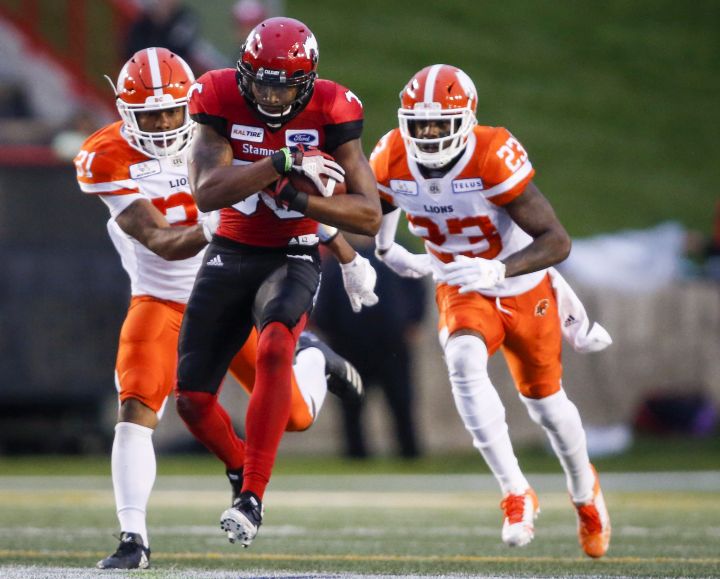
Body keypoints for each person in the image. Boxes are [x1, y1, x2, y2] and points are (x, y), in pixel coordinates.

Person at [73, 47, 375, 569]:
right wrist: (209, 225)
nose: (165, 124)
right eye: (150, 114)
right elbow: (159, 241)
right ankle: (133, 538)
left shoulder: (224, 129)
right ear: (124, 111)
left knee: (297, 418)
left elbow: (284, 207)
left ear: (190, 105)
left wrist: (346, 256)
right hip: (161, 294)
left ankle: (312, 359)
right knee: (136, 406)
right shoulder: (105, 156)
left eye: (172, 111)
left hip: (235, 282)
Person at [369, 64, 612, 558]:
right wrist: (386, 245)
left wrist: (499, 271)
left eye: (441, 123)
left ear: (467, 119)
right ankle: (515, 491)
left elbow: (557, 240)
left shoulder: (490, 153)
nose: (430, 134)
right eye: (420, 124)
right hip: (461, 286)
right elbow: (385, 195)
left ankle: (585, 492)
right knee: (461, 360)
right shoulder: (392, 153)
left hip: (523, 286)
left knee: (545, 404)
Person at [175, 15, 381, 549]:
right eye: (261, 81)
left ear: (307, 81)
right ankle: (248, 456)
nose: (269, 94)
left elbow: (368, 214)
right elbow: (207, 191)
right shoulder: (218, 95)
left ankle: (252, 496)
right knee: (192, 402)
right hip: (231, 250)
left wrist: (302, 200)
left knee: (271, 348)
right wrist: (280, 162)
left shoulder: (334, 109)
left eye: (282, 83)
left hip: (292, 252)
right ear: (243, 73)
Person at [313, 235, 426, 459]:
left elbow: (417, 288)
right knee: (351, 404)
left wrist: (414, 322)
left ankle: (409, 453)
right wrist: (329, 332)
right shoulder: (337, 258)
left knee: (401, 401)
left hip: (392, 343)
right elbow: (324, 299)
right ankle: (356, 454)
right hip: (349, 344)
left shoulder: (395, 251)